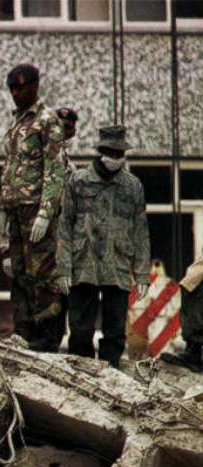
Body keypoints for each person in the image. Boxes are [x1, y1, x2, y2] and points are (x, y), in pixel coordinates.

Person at [57, 126, 149, 368]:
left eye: (119, 154)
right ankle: (81, 376)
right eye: (111, 153)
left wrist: (141, 273)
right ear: (100, 152)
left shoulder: (133, 186)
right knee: (79, 330)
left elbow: (140, 231)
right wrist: (64, 268)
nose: (115, 158)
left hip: (117, 264)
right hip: (83, 264)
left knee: (115, 330)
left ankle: (111, 376)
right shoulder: (78, 181)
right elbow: (64, 226)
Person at [0, 64, 67, 352]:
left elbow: (55, 169)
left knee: (43, 276)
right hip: (15, 210)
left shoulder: (47, 121)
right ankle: (24, 332)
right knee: (20, 274)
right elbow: (11, 167)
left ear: (35, 86)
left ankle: (47, 337)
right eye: (12, 88)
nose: (16, 93)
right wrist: (3, 208)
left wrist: (45, 212)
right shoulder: (17, 123)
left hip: (35, 211)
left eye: (22, 87)